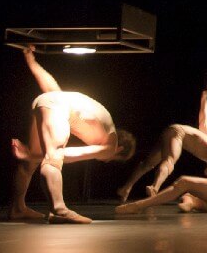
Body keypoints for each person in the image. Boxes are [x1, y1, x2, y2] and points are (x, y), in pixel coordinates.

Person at [9, 45, 137, 224]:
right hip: (54, 106)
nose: (106, 159)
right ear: (119, 148)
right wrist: (34, 154)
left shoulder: (100, 120)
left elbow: (53, 91)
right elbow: (62, 155)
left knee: (31, 162)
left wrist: (32, 63)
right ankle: (59, 210)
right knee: (53, 157)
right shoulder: (110, 145)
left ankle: (18, 208)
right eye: (112, 159)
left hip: (44, 102)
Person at [116, 90, 207, 202]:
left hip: (171, 131)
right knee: (170, 161)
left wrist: (204, 96)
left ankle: (125, 188)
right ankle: (154, 187)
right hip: (177, 134)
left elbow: (203, 119)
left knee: (148, 163)